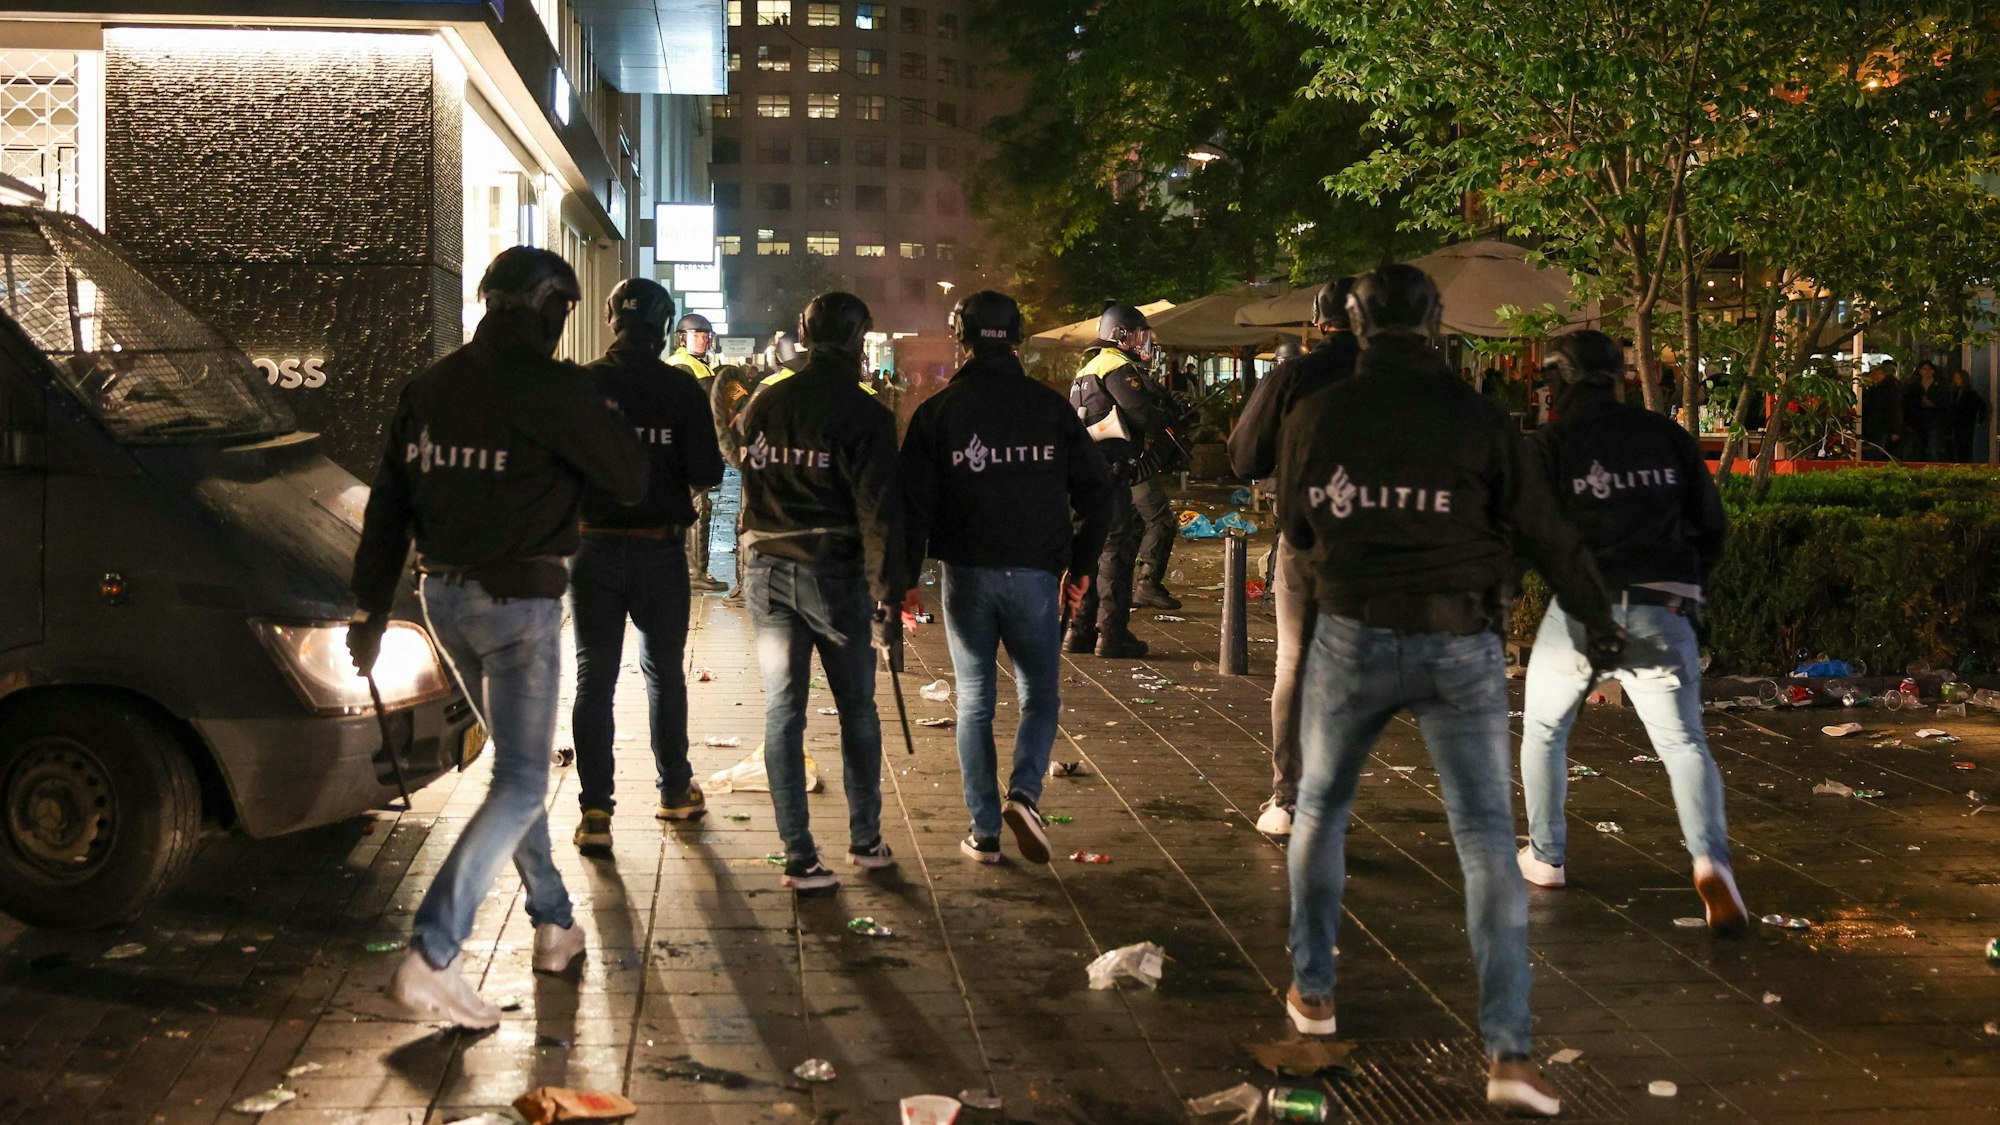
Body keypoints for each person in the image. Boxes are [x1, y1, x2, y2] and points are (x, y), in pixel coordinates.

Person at [1275, 263, 1622, 1117]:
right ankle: (1508, 1048)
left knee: (1320, 809)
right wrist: (1598, 622)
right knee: (1481, 837)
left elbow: (1294, 521)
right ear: (1434, 324)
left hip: (1351, 630)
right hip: (1461, 639)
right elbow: (1546, 528)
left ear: (1354, 324)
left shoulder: (1319, 414)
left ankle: (1313, 992)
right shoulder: (1479, 420)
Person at [349, 246, 648, 1028]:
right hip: (518, 605)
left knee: (516, 774)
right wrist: (601, 418)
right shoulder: (556, 389)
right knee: (519, 780)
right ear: (548, 309)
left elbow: (389, 505)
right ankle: (433, 952)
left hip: (440, 598)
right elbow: (628, 478)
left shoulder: (429, 386)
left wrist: (368, 611)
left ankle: (553, 924)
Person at [1515, 331, 1744, 937]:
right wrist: (1684, 585)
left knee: (1543, 731)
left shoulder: (1553, 443)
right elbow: (1711, 528)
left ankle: (1546, 856)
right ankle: (1710, 860)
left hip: (1580, 612)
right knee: (1683, 743)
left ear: (1559, 382)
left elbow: (1530, 533)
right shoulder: (1666, 436)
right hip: (1660, 605)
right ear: (1618, 378)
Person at [901, 290, 1116, 864]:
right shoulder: (1050, 411)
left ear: (960, 336)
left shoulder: (938, 414)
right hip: (1035, 577)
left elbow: (910, 506)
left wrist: (901, 579)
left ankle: (985, 832)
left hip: (966, 576)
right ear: (1018, 335)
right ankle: (1024, 793)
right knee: (1039, 696)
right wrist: (1082, 564)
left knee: (974, 702)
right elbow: (1100, 494)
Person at [738, 291, 905, 893]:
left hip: (767, 571)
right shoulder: (867, 417)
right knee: (857, 707)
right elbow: (879, 515)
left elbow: (738, 453)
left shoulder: (765, 401)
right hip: (834, 575)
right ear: (860, 340)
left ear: (804, 334)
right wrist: (888, 596)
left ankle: (799, 855)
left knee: (784, 710)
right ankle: (865, 839)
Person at [568, 279, 726, 852]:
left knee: (595, 678)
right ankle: (674, 791)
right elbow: (708, 470)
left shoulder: (583, 383)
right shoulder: (679, 388)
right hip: (659, 550)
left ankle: (595, 813)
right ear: (665, 325)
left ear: (611, 319)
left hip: (592, 548)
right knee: (663, 671)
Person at [1225, 278, 1358, 838]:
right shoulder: (1402, 382)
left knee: (1296, 662)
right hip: (1379, 544)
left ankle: (1290, 797)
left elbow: (1243, 456)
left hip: (1307, 533)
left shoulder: (1294, 375)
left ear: (1318, 322)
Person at [1068, 301, 1172, 658]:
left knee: (1088, 552)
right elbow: (1141, 414)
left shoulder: (1087, 369)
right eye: (1138, 335)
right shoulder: (1116, 366)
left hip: (1084, 475)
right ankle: (1111, 635)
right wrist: (1164, 408)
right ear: (1120, 335)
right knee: (1115, 552)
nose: (1142, 343)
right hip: (1111, 473)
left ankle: (1078, 631)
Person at [666, 313, 729, 593]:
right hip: (686, 451)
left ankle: (692, 570)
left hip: (694, 448)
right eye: (697, 335)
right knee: (696, 509)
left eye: (706, 335)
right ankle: (693, 572)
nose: (703, 339)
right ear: (682, 339)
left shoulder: (698, 366)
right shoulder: (682, 366)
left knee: (699, 507)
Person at [1130, 366, 1186, 610]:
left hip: (1124, 464)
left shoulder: (1103, 372)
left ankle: (1125, 586)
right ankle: (1147, 584)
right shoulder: (1122, 374)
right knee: (1160, 521)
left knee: (1130, 526)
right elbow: (1146, 414)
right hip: (1136, 465)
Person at [1859, 364, 1904, 462]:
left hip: (1882, 426)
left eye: (1879, 374)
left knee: (1877, 451)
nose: (1876, 376)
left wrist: (1895, 430)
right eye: (1874, 374)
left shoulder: (1889, 389)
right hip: (1871, 425)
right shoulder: (1872, 389)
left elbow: (1895, 409)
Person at [1904, 360, 1947, 461]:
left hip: (1934, 421)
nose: (1927, 372)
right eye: (1924, 369)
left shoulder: (1940, 386)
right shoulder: (1914, 386)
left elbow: (1945, 404)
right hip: (1918, 422)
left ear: (1933, 371)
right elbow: (1908, 404)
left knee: (1934, 449)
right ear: (1920, 371)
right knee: (1918, 450)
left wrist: (1934, 405)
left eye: (1929, 369)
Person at [1946, 366, 1988, 463]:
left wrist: (1979, 420)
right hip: (1957, 425)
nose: (1956, 381)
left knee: (1965, 449)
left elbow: (1982, 406)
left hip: (1966, 425)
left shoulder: (1970, 393)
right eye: (1955, 378)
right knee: (1957, 448)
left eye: (1958, 378)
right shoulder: (1955, 392)